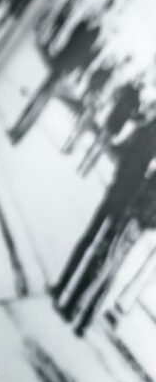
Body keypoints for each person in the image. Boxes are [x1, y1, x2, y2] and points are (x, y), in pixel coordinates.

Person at [52, 108, 156, 334]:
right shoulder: (144, 132)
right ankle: (77, 312)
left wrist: (106, 140)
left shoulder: (145, 132)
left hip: (123, 203)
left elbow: (121, 155)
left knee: (94, 249)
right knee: (105, 262)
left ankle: (67, 297)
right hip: (130, 208)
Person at [8, 0, 114, 144]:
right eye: (95, 11)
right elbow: (68, 37)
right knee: (40, 96)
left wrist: (79, 70)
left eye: (99, 13)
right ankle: (18, 129)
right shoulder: (83, 24)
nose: (95, 14)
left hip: (66, 69)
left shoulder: (95, 33)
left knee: (41, 98)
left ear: (101, 17)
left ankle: (18, 132)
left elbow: (87, 57)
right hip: (60, 61)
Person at [79, 73, 143, 175]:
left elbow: (132, 113)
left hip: (115, 121)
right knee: (100, 143)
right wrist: (132, 116)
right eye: (138, 82)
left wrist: (135, 117)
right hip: (115, 122)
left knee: (100, 143)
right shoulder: (131, 94)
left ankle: (85, 165)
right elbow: (117, 97)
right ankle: (85, 165)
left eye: (139, 83)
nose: (137, 84)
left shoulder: (134, 98)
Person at [61, 56, 116, 154]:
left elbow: (107, 91)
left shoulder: (110, 76)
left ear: (112, 65)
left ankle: (71, 144)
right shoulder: (100, 70)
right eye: (108, 61)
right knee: (80, 121)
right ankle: (70, 143)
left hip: (95, 101)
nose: (107, 63)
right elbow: (91, 78)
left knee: (83, 123)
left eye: (110, 62)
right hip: (90, 96)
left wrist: (100, 100)